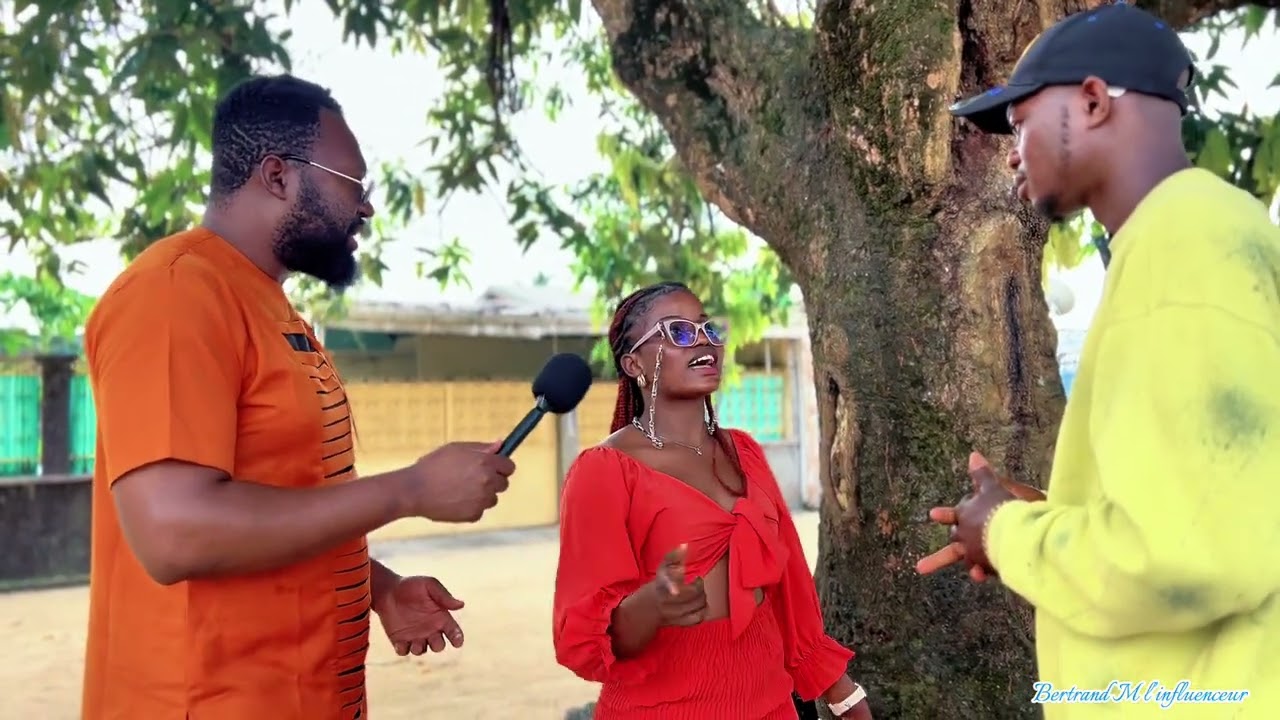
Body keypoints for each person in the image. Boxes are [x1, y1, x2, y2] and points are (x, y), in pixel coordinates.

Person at [80, 74, 517, 720]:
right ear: (278, 176)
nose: (366, 208)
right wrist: (410, 491)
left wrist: (378, 587)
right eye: (353, 184)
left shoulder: (269, 306)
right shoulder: (174, 296)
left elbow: (280, 501)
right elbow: (174, 533)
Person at [918, 4, 1280, 717]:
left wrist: (1006, 531)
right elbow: (1211, 504)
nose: (1012, 151)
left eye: (1020, 124)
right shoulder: (1188, 237)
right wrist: (1066, 515)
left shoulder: (1186, 245)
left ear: (1091, 101)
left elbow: (1186, 555)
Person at [552, 282, 873, 720]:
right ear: (634, 363)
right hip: (664, 707)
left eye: (708, 328)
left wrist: (842, 693)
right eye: (679, 332)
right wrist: (649, 606)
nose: (703, 339)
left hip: (770, 701)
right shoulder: (604, 472)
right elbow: (582, 635)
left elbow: (790, 587)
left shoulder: (745, 454)